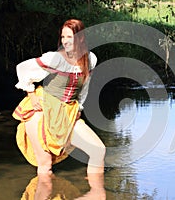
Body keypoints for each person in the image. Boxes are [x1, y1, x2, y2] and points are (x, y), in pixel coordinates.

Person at [12, 19, 106, 199]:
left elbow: (84, 87)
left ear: (80, 38)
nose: (65, 41)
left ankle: (97, 192)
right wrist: (31, 94)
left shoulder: (90, 59)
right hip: (41, 110)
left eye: (69, 37)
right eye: (63, 37)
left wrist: (80, 106)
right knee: (45, 166)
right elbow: (23, 69)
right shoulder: (55, 58)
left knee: (98, 150)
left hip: (68, 110)